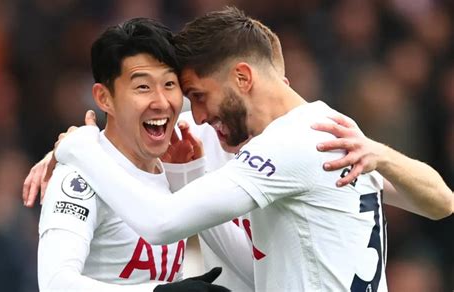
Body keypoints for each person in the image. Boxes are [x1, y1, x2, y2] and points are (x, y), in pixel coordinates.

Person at [52, 7, 452, 291]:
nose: (201, 115)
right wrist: (380, 155)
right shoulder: (333, 130)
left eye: (200, 96)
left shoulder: (286, 148)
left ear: (242, 77)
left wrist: (81, 149)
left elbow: (160, 223)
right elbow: (443, 202)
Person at [36, 17, 229, 291]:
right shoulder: (79, 177)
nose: (161, 102)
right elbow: (55, 283)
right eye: (143, 87)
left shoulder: (182, 157)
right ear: (104, 99)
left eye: (169, 84)